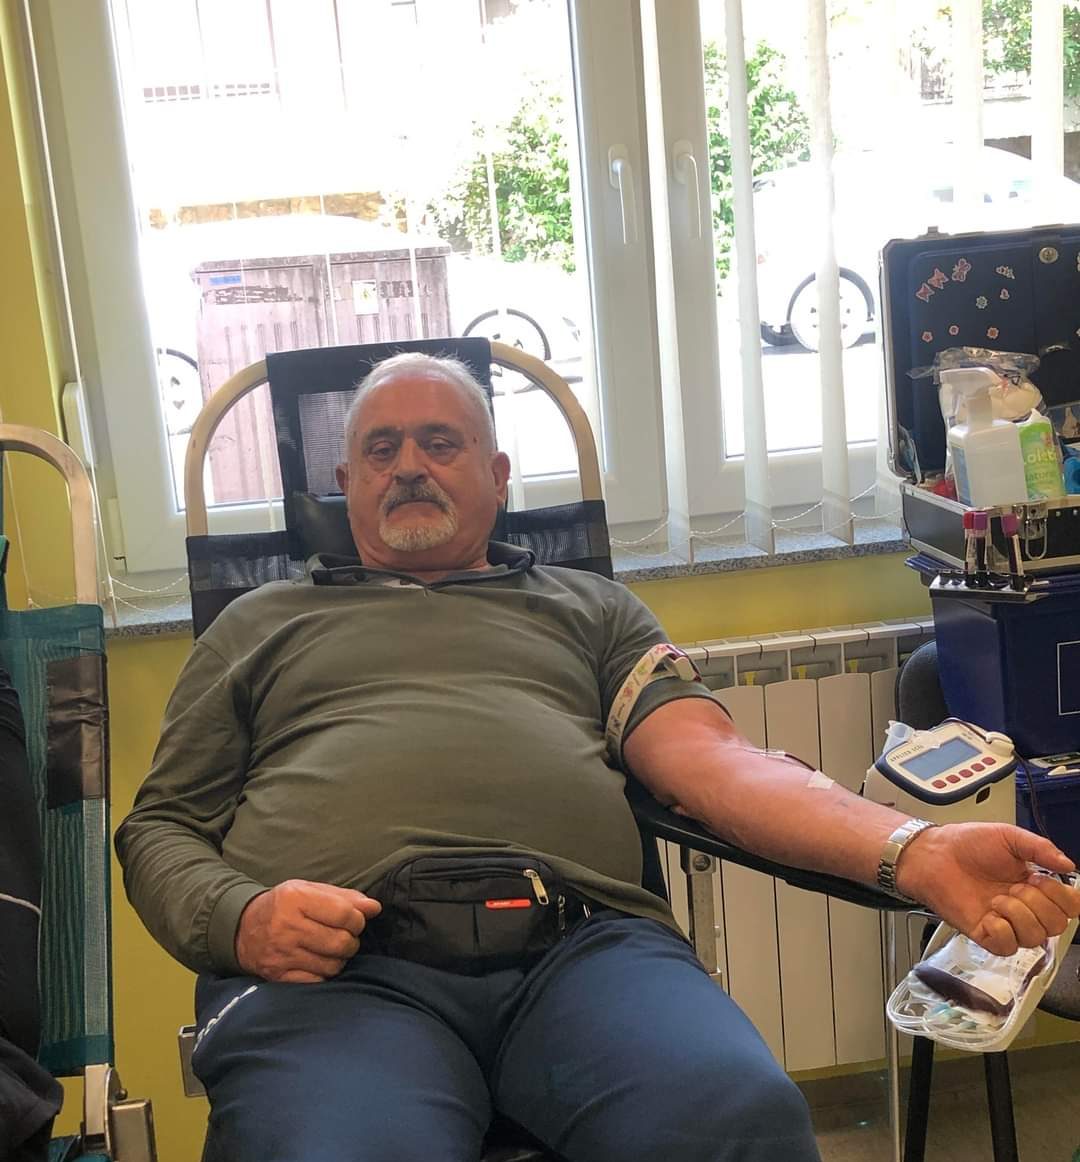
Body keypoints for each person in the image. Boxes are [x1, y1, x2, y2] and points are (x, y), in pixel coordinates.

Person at [116, 352, 1080, 1162]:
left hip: (582, 951)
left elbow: (719, 766)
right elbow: (160, 826)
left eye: (440, 443)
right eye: (381, 448)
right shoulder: (259, 625)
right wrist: (239, 918)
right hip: (340, 976)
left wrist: (915, 848)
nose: (408, 466)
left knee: (745, 1123)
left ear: (498, 475)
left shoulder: (592, 612)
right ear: (345, 484)